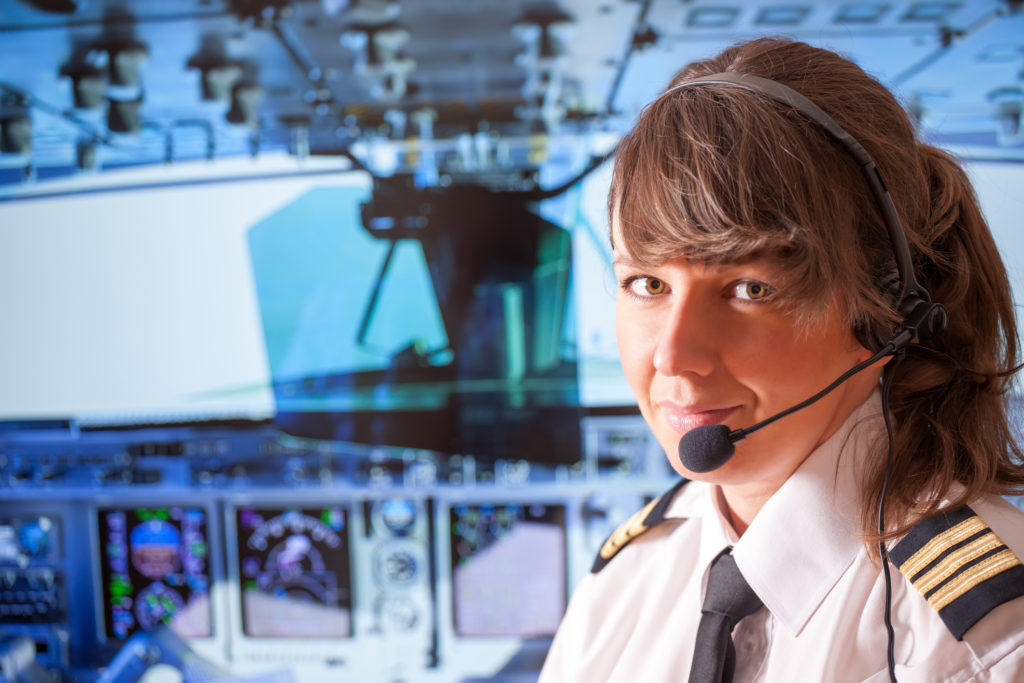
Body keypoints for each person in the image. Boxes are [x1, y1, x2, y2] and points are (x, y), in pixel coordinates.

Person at [539, 37, 1024, 682]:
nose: (674, 359)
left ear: (886, 309)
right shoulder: (627, 578)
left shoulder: (983, 646)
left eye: (749, 289)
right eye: (647, 285)